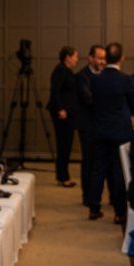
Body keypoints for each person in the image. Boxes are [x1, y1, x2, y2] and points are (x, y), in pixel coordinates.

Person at [89, 42, 134, 223]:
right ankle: (119, 213)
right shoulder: (126, 79)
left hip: (100, 129)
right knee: (119, 171)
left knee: (98, 169)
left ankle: (94, 209)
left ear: (106, 59)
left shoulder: (96, 79)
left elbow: (94, 104)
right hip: (120, 131)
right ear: (122, 59)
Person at [75, 45, 106, 205]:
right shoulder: (81, 76)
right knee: (88, 161)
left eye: (104, 58)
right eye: (99, 58)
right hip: (87, 126)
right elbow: (87, 99)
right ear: (90, 58)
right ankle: (87, 196)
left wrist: (96, 95)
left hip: (102, 125)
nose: (102, 61)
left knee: (101, 162)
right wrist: (103, 97)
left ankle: (98, 195)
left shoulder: (104, 75)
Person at [47, 46, 78, 187]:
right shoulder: (61, 69)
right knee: (64, 145)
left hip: (68, 112)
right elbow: (55, 89)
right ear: (67, 57)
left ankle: (63, 176)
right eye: (75, 56)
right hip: (62, 113)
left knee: (66, 145)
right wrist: (60, 108)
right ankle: (63, 177)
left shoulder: (67, 70)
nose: (77, 59)